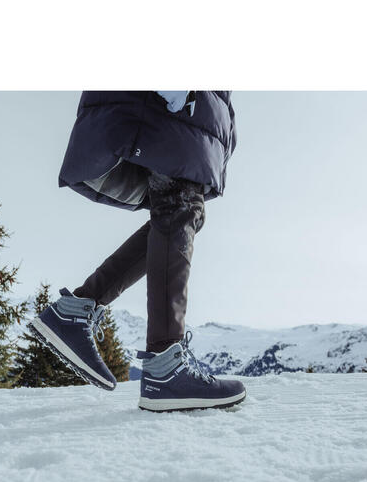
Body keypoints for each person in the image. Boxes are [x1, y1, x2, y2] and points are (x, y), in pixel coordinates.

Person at [31, 90, 246, 413]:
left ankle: (76, 309)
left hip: (188, 109)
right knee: (178, 207)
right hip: (175, 103)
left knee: (182, 213)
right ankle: (164, 366)